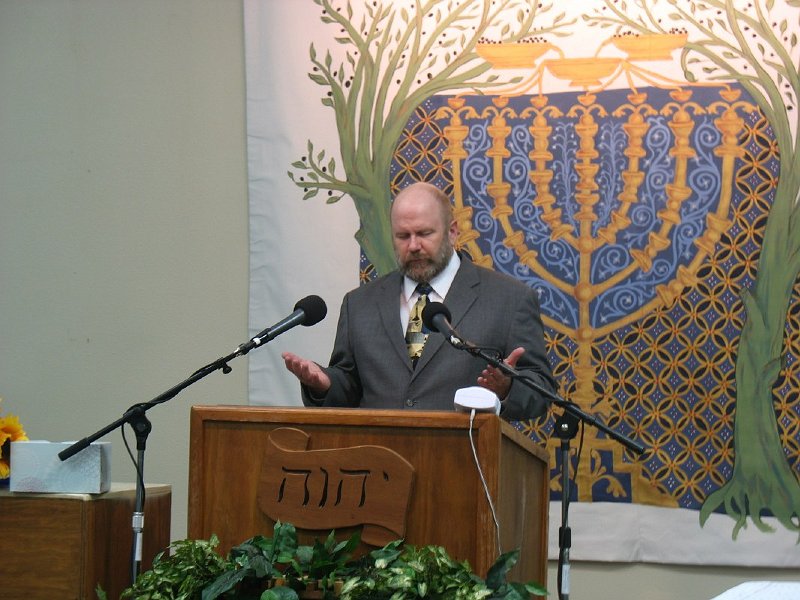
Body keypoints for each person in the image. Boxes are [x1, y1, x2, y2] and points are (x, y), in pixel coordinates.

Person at [282, 182, 556, 420]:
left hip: (465, 466)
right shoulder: (360, 304)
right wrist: (325, 384)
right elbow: (349, 386)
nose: (413, 246)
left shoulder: (508, 299)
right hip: (378, 467)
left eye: (424, 234)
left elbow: (541, 389)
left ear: (452, 232)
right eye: (403, 236)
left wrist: (507, 388)